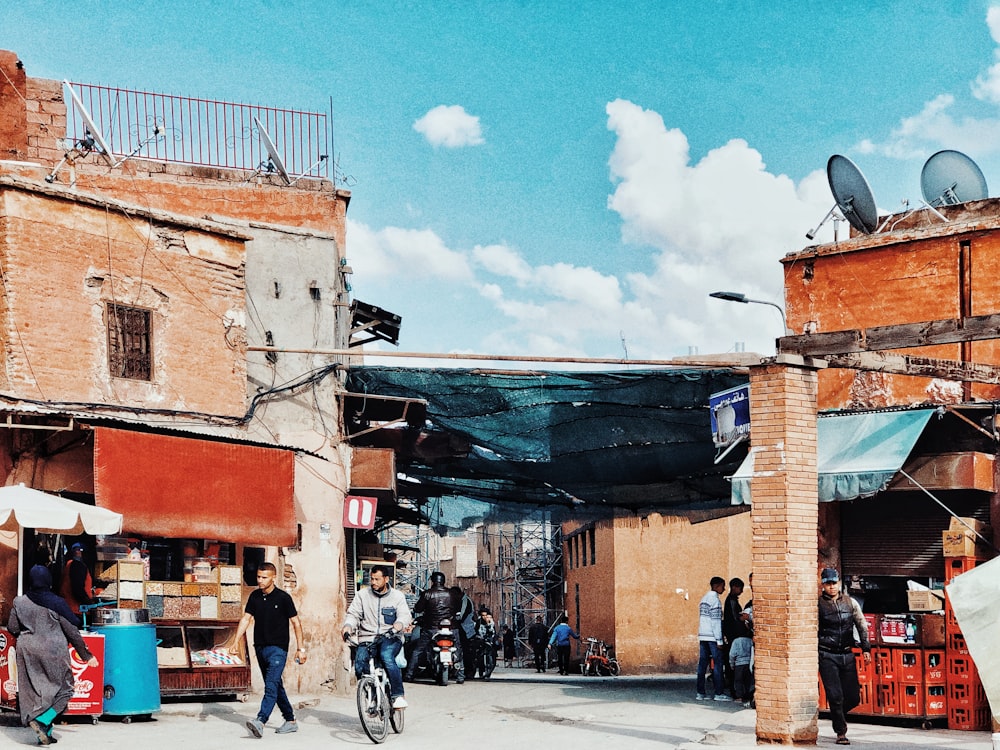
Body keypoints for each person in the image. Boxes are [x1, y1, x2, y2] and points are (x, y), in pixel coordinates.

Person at [8, 565, 99, 746]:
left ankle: (46, 733)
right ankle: (43, 720)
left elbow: (13, 627)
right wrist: (87, 656)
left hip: (27, 651)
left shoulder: (19, 602)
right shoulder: (57, 603)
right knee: (65, 689)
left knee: (35, 691)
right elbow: (72, 631)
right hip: (53, 650)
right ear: (49, 581)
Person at [231, 562, 306, 738]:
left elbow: (296, 622)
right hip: (260, 647)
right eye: (258, 577)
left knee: (270, 686)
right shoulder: (254, 597)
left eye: (264, 577)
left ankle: (261, 720)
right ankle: (291, 720)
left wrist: (300, 649)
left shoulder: (283, 598)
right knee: (275, 685)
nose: (260, 580)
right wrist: (235, 642)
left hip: (278, 649)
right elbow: (246, 619)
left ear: (273, 577)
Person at [342, 565, 412, 709]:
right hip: (367, 637)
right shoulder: (362, 595)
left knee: (386, 656)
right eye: (372, 579)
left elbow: (404, 616)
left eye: (377, 579)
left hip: (391, 637)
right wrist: (348, 626)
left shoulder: (397, 596)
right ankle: (372, 697)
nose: (373, 582)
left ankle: (398, 696)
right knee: (360, 666)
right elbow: (353, 614)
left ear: (386, 579)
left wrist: (397, 627)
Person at [818, 568, 871, 746]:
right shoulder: (818, 605)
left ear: (839, 583)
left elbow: (862, 625)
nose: (831, 587)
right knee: (835, 695)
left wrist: (866, 648)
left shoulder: (850, 602)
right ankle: (841, 732)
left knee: (853, 697)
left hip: (847, 654)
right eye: (828, 583)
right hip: (827, 654)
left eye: (834, 583)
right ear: (823, 585)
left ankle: (837, 713)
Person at [405, 571, 460, 683]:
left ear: (433, 581)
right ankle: (461, 675)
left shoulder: (427, 594)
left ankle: (409, 675)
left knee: (418, 651)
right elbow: (457, 608)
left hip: (431, 628)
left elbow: (418, 609)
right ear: (443, 581)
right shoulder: (452, 594)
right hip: (451, 628)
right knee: (458, 649)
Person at [696, 576, 729, 701]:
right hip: (712, 637)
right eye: (722, 586)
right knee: (718, 664)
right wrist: (719, 640)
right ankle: (719, 693)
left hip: (703, 635)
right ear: (716, 586)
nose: (724, 589)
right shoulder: (715, 600)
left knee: (702, 664)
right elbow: (715, 622)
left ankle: (700, 692)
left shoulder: (703, 599)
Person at [722, 577, 745, 698]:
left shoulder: (732, 600)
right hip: (733, 636)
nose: (741, 591)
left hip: (732, 635)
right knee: (733, 665)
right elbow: (735, 619)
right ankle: (734, 690)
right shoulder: (731, 601)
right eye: (740, 588)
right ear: (735, 587)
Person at [58, 542, 94, 618]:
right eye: (76, 550)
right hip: (77, 609)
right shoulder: (78, 566)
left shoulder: (69, 564)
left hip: (67, 607)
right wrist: (89, 602)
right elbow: (77, 588)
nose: (77, 552)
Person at [730, 603, 754, 708]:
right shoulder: (749, 640)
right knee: (748, 681)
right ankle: (748, 696)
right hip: (748, 663)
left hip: (739, 665)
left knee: (738, 681)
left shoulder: (735, 641)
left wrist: (732, 664)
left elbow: (732, 654)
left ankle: (739, 696)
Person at [450, 584, 475, 682]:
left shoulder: (465, 601)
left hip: (466, 629)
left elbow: (462, 616)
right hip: (459, 628)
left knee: (464, 650)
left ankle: (467, 671)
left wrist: (452, 618)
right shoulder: (458, 601)